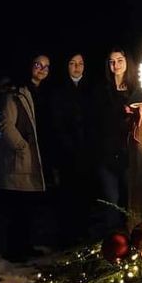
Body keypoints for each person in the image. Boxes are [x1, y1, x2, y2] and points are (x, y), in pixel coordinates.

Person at [0, 55, 51, 260]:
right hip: (19, 158)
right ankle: (15, 250)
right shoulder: (15, 92)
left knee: (28, 208)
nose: (42, 69)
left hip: (32, 157)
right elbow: (6, 124)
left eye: (46, 66)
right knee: (18, 209)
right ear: (30, 66)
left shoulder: (39, 92)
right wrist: (21, 146)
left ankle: (25, 246)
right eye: (38, 65)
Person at [93, 48, 142, 231]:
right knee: (111, 200)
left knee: (129, 198)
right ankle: (112, 242)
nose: (115, 65)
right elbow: (98, 121)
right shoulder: (102, 90)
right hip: (107, 154)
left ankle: (131, 238)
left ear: (127, 62)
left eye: (119, 60)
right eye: (111, 61)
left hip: (129, 154)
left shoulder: (137, 90)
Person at [50, 53, 96, 246]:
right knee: (67, 195)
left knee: (85, 195)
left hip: (87, 151)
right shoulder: (59, 90)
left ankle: (83, 235)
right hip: (66, 152)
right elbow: (56, 123)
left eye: (80, 63)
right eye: (72, 63)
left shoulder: (91, 89)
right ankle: (66, 237)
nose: (77, 67)